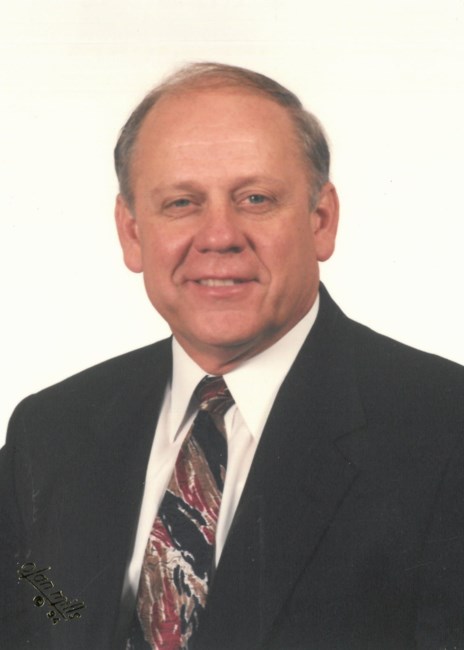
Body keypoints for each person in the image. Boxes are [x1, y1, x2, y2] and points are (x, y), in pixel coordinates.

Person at [1, 62, 464, 650]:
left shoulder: (445, 428)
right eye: (181, 203)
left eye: (255, 198)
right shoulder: (49, 432)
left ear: (321, 221)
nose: (219, 235)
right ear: (132, 233)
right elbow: (40, 607)